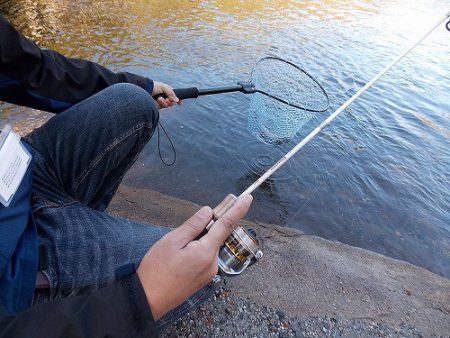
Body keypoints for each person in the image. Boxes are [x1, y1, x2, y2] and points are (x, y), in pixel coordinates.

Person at [0, 14, 253, 337]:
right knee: (206, 263)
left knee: (132, 102)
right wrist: (139, 301)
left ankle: (84, 227)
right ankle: (62, 273)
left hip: (23, 175)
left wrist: (143, 86)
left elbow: (30, 68)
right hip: (18, 262)